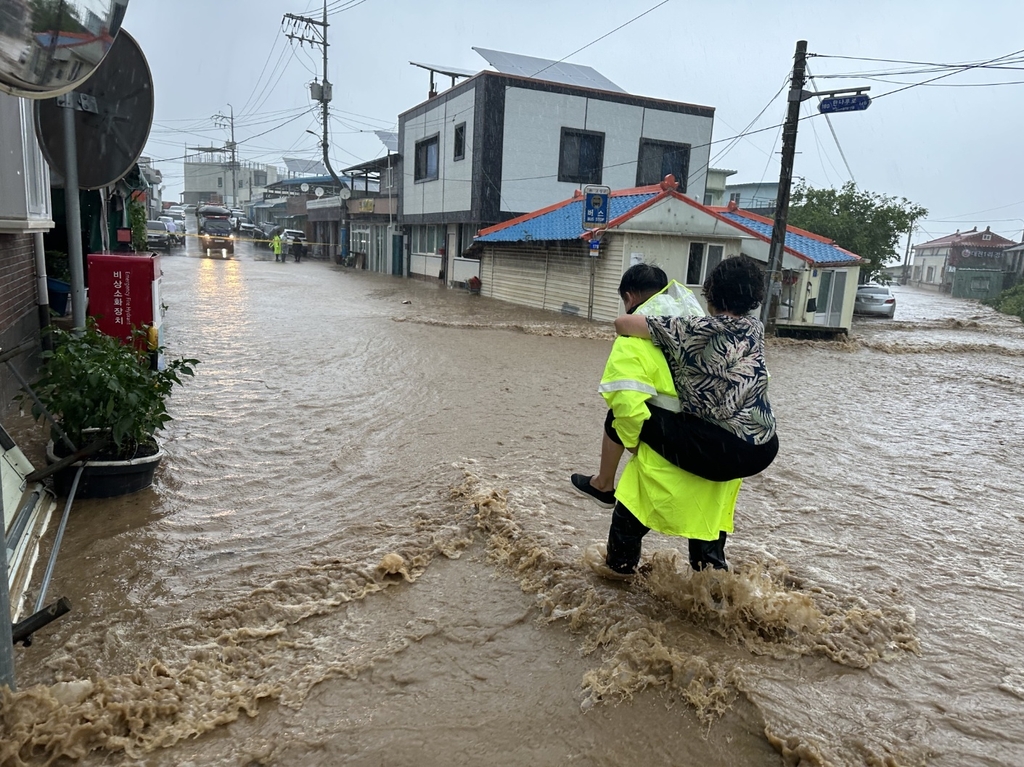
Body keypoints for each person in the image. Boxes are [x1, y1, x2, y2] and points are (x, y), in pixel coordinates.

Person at [574, 263, 744, 576]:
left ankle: (616, 585)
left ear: (629, 298)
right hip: (722, 462)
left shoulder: (633, 339)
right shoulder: (715, 330)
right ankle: (718, 608)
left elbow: (626, 407)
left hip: (667, 466)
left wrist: (639, 448)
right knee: (709, 562)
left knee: (624, 538)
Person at [571, 256, 778, 508]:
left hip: (723, 451)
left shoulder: (692, 328)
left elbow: (622, 323)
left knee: (616, 416)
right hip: (764, 448)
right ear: (753, 298)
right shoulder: (756, 328)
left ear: (710, 292)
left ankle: (603, 485)